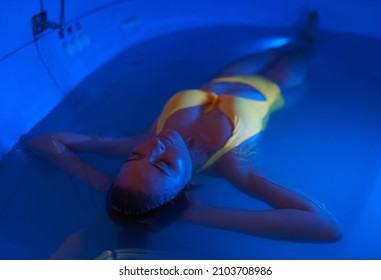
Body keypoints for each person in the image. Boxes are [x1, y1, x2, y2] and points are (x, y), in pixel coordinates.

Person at [27, 11, 341, 242]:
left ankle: (301, 34)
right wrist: (199, 214)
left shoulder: (145, 140)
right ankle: (309, 39)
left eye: (135, 158)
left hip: (228, 74)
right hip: (277, 87)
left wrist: (108, 189)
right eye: (164, 165)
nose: (156, 147)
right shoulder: (234, 165)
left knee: (278, 46)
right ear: (186, 187)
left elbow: (44, 142)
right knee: (300, 52)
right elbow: (323, 226)